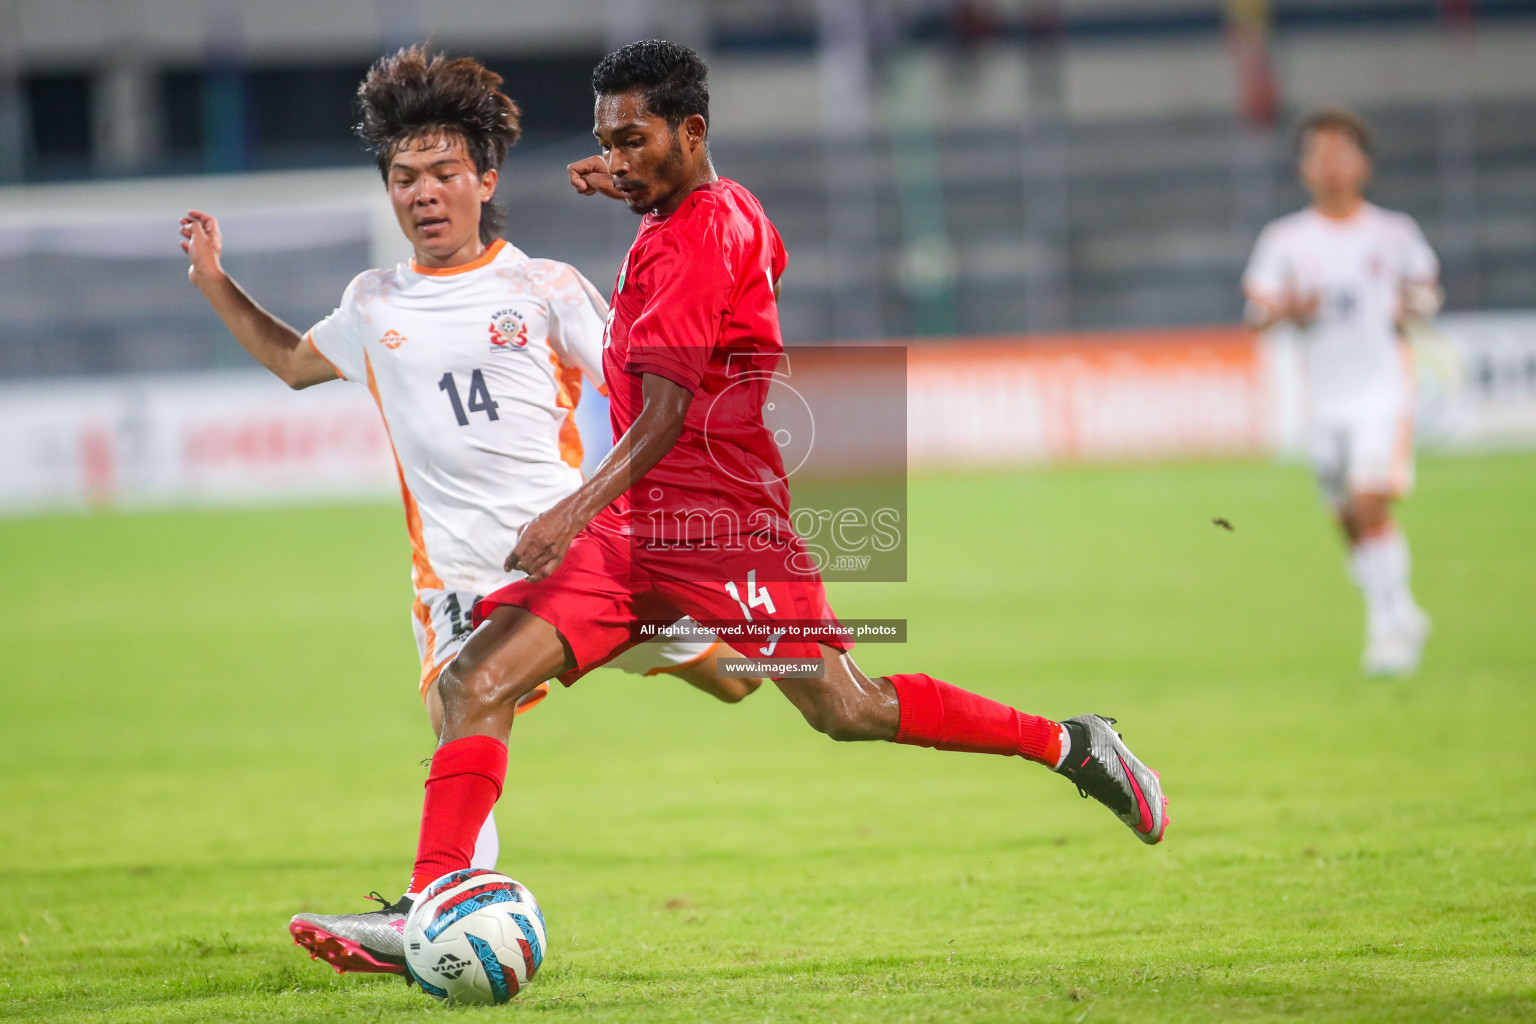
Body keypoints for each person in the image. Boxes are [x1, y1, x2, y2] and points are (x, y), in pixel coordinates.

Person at [294, 39, 1168, 979]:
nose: (617, 160)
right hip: (634, 540)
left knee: (849, 710)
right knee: (474, 683)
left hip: (720, 536)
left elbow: (665, 414)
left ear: (692, 130)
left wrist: (565, 515)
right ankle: (429, 903)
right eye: (607, 142)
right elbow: (745, 243)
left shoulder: (697, 242)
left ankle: (1075, 745)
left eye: (633, 142)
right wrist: (642, 179)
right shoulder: (717, 205)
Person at [181, 46, 760, 973]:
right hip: (456, 576)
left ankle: (785, 641)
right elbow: (295, 363)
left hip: (580, 558)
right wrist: (214, 280)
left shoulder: (546, 288)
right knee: (465, 710)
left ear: (484, 179)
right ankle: (429, 912)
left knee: (739, 678)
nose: (424, 192)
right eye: (404, 177)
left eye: (445, 172)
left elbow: (647, 381)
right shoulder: (372, 303)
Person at [1244, 107, 1440, 676]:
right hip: (1326, 399)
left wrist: (1414, 308)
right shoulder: (1285, 239)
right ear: (1304, 167)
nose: (1329, 164)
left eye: (1340, 152)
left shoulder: (1394, 232)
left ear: (1363, 165)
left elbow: (1426, 293)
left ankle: (1387, 631)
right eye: (1317, 154)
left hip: (1383, 390)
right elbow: (1256, 313)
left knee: (1369, 500)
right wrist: (1285, 310)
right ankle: (1401, 608)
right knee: (1346, 517)